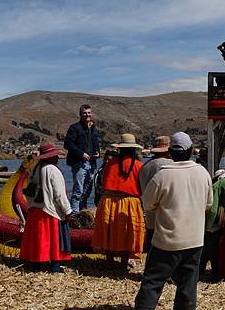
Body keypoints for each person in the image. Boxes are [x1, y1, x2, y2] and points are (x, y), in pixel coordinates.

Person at [125, 132, 212, 310]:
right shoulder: (203, 173)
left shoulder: (163, 174)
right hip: (194, 240)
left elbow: (148, 204)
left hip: (167, 240)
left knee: (153, 281)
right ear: (191, 151)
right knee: (188, 283)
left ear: (170, 152)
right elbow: (208, 204)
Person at [92, 134, 145, 269]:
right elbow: (142, 186)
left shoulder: (110, 163)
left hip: (109, 201)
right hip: (129, 203)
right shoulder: (139, 165)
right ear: (134, 150)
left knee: (109, 229)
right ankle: (123, 263)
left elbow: (104, 182)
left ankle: (109, 261)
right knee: (127, 232)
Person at [20, 142, 72, 273]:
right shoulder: (53, 170)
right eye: (55, 156)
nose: (57, 159)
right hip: (49, 211)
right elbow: (59, 194)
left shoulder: (36, 168)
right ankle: (54, 266)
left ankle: (36, 264)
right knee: (53, 239)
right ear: (50, 157)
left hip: (35, 210)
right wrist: (67, 211)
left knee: (38, 239)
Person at [64, 104, 100, 212]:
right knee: (78, 191)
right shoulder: (74, 128)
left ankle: (83, 212)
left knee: (87, 191)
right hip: (79, 163)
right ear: (80, 114)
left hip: (92, 163)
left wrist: (98, 151)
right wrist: (81, 154)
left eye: (89, 113)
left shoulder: (93, 128)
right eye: (85, 113)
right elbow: (68, 144)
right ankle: (74, 214)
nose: (87, 115)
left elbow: (95, 143)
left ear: (91, 114)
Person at [139, 136, 173, 250]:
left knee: (151, 248)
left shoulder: (144, 166)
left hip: (150, 216)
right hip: (166, 217)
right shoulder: (169, 164)